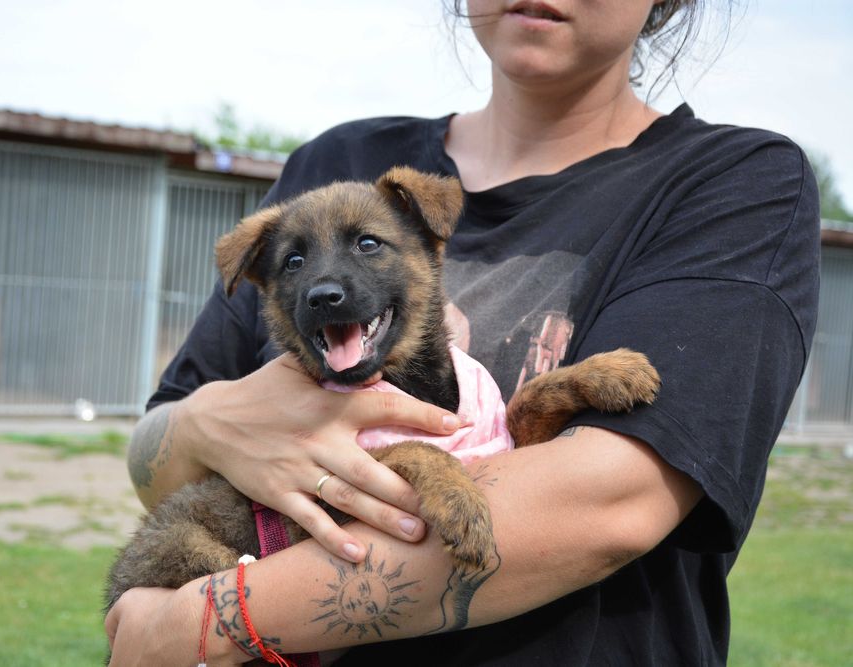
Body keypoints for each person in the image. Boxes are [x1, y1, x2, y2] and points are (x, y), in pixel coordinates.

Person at [106, 0, 820, 664]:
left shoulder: (735, 186)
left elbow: (610, 503)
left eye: (366, 247)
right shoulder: (332, 166)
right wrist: (210, 426)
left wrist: (204, 619)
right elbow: (157, 456)